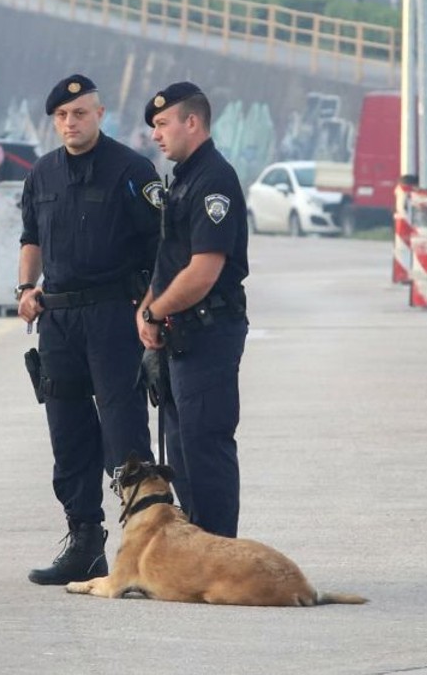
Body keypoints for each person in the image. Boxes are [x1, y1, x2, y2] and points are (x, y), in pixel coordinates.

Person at [17, 74, 165, 585]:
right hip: (58, 320)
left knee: (123, 434)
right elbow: (31, 237)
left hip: (112, 317)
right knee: (69, 434)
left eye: (79, 113)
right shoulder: (43, 174)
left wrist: (149, 306)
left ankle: (147, 547)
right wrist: (25, 289)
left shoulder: (132, 169)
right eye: (61, 116)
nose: (69, 123)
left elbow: (159, 247)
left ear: (100, 115)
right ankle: (84, 541)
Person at [135, 82, 249, 539]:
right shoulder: (184, 178)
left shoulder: (213, 181)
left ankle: (218, 549)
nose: (156, 136)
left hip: (209, 332)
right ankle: (199, 549)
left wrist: (154, 312)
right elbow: (172, 258)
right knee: (182, 449)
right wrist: (149, 306)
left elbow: (204, 270)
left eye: (162, 124)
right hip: (182, 334)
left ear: (192, 122)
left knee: (205, 445)